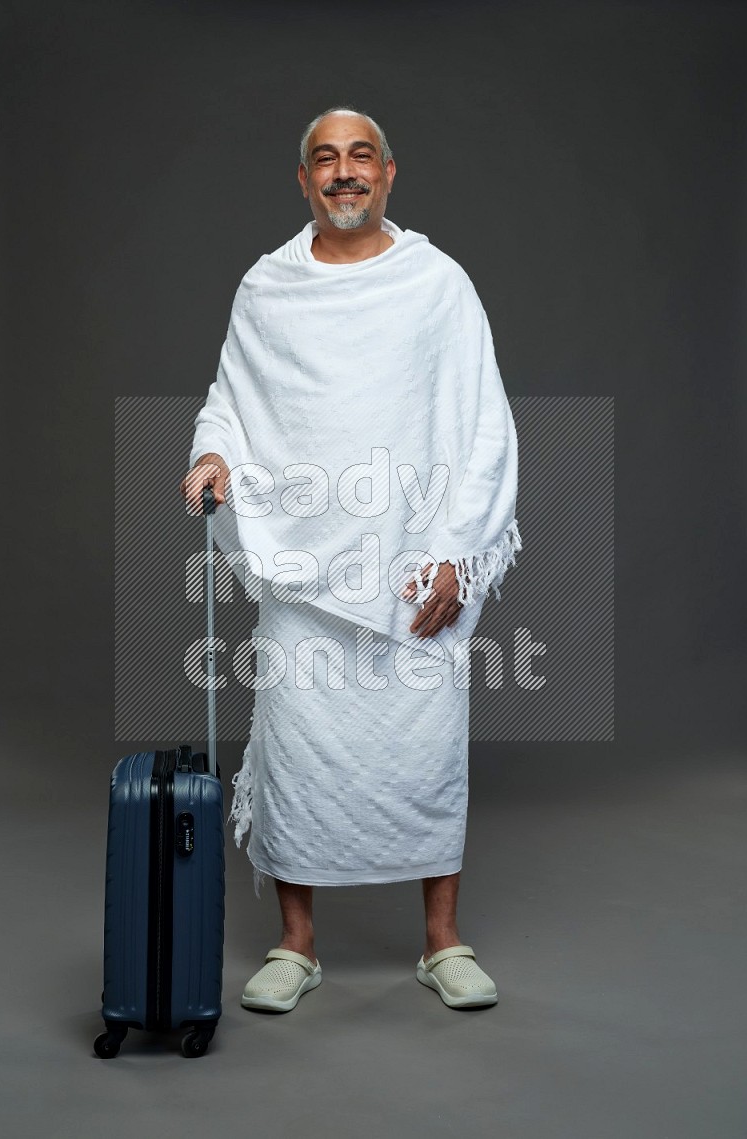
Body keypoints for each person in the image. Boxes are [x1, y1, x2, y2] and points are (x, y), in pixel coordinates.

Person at [179, 106, 521, 1013]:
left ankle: (442, 941)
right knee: (301, 751)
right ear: (303, 181)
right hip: (304, 568)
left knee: (425, 749)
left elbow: (483, 423)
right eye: (324, 160)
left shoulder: (437, 283)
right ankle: (297, 944)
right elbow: (229, 397)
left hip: (413, 568)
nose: (343, 173)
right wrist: (213, 452)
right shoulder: (267, 287)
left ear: (389, 173)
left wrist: (458, 555)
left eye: (359, 157)